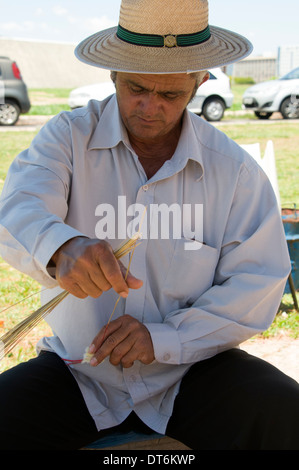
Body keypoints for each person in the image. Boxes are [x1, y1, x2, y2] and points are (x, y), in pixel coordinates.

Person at [0, 0, 298, 451]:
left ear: (200, 82)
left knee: (285, 413)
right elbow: (18, 207)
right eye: (137, 87)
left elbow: (257, 282)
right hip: (80, 371)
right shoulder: (66, 138)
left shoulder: (234, 172)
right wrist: (61, 249)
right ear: (114, 73)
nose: (150, 107)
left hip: (190, 369)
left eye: (171, 95)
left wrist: (163, 338)